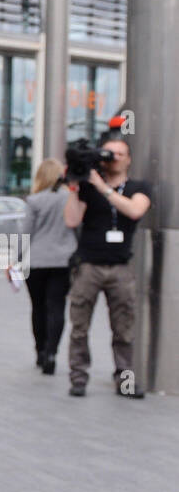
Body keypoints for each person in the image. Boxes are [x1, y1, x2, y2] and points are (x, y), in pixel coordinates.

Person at [63, 132, 152, 397]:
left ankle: (124, 381)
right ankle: (78, 379)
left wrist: (103, 188)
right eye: (107, 153)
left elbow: (135, 210)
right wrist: (75, 186)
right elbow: (71, 220)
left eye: (118, 155)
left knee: (124, 329)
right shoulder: (87, 187)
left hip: (121, 267)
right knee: (79, 327)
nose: (111, 159)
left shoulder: (139, 187)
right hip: (88, 265)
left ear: (128, 160)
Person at [21, 158, 78, 374]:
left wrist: (16, 260)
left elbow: (26, 234)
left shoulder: (34, 201)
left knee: (38, 307)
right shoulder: (70, 199)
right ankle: (52, 352)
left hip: (36, 261)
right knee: (56, 307)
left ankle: (40, 351)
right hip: (63, 261)